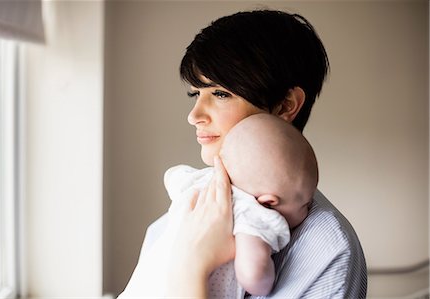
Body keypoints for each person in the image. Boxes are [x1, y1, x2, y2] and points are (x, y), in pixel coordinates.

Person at [120, 9, 367, 298]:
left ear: (286, 105)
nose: (194, 115)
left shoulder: (326, 249)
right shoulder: (177, 216)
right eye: (195, 94)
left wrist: (191, 268)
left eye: (220, 94)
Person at [163, 113, 318, 297]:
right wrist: (266, 279)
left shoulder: (201, 181)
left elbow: (171, 175)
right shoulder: (254, 214)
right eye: (306, 203)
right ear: (269, 202)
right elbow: (252, 275)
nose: (309, 209)